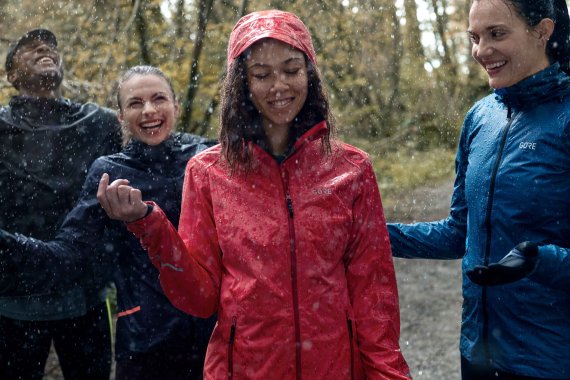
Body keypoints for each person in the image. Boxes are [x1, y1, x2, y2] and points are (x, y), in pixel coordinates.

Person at [98, 10, 411, 380]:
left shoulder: (351, 169)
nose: (279, 85)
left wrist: (389, 375)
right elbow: (199, 298)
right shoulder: (208, 172)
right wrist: (148, 225)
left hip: (333, 368)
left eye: (291, 70)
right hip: (243, 370)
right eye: (261, 74)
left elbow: (374, 296)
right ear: (241, 83)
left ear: (309, 74)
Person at [388, 0, 570, 379]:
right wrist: (370, 232)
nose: (481, 51)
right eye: (474, 37)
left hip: (550, 360)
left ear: (543, 31)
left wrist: (541, 259)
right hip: (478, 354)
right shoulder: (480, 118)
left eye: (496, 34)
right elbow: (458, 234)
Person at [0, 65, 217, 379]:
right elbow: (68, 255)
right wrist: (9, 243)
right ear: (120, 117)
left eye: (159, 99)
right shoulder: (110, 172)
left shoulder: (206, 157)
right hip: (146, 345)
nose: (149, 111)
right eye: (135, 103)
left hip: (213, 342)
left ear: (175, 106)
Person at [0, 29, 122, 379]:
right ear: (11, 75)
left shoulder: (98, 122)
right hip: (13, 298)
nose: (45, 49)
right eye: (30, 47)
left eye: (52, 46)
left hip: (84, 295)